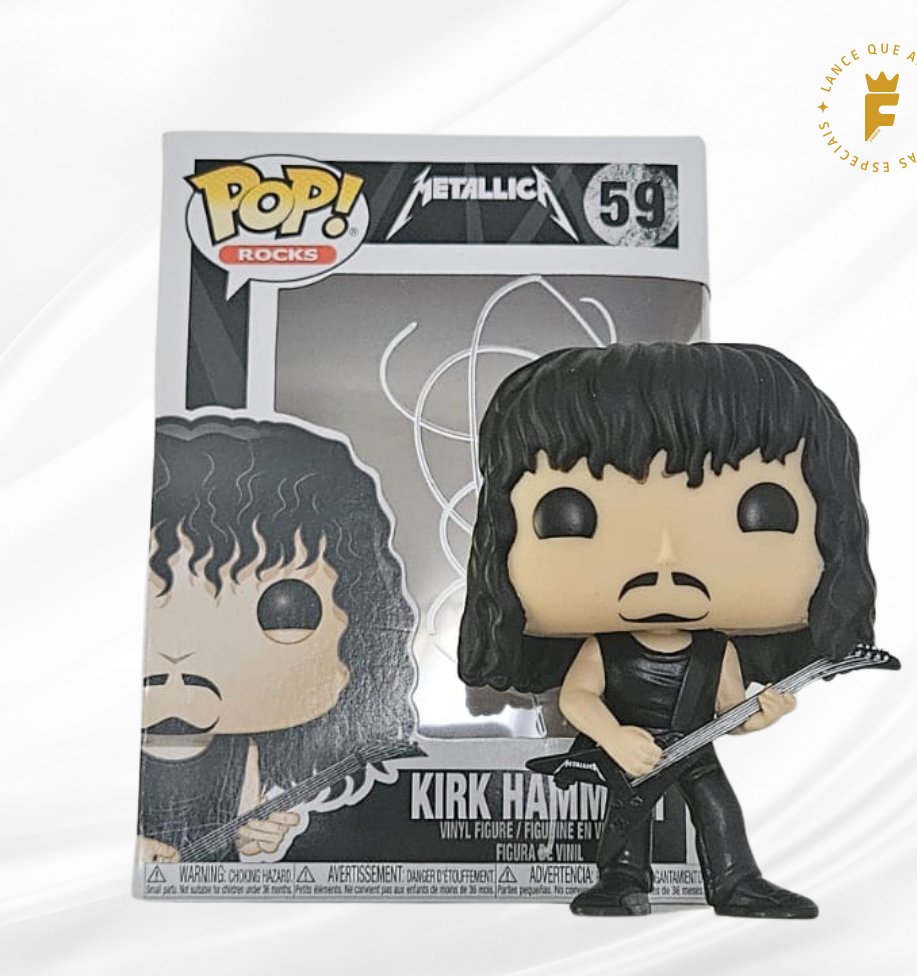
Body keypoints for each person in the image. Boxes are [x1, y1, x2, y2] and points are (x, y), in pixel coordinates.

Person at [459, 342, 879, 917]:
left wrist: (762, 716)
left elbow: (729, 710)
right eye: (569, 515)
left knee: (718, 809)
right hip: (629, 745)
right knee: (625, 817)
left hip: (693, 747)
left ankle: (734, 881)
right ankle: (621, 879)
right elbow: (578, 698)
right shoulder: (603, 649)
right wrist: (614, 738)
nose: (665, 563)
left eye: (759, 510)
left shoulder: (716, 649)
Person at [138, 415, 416, 863]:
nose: (183, 655)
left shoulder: (245, 751)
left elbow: (247, 831)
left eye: (286, 612)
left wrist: (264, 838)